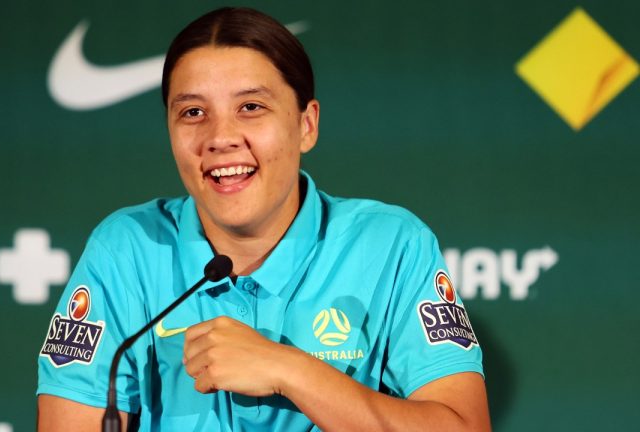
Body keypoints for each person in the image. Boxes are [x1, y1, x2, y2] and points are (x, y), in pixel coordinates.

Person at [37, 7, 490, 431]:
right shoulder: (127, 248)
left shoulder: (391, 244)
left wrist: (287, 368)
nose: (220, 138)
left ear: (306, 125)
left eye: (250, 107)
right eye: (193, 113)